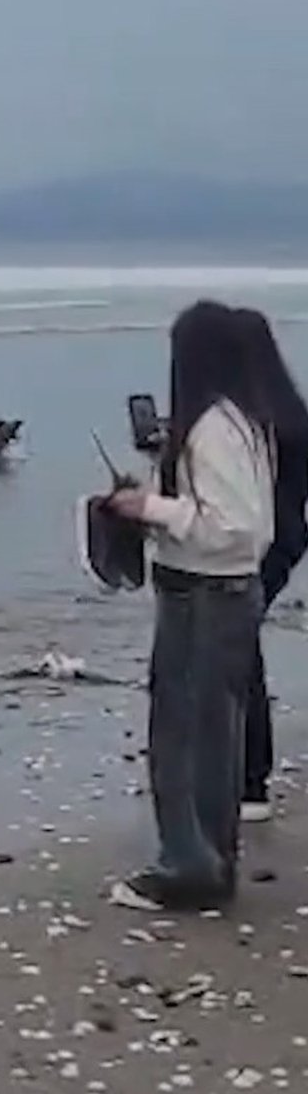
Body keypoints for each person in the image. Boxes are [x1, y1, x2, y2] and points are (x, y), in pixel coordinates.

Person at [106, 301, 275, 911]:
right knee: (211, 735)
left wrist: (148, 508)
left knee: (187, 735)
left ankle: (190, 868)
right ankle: (208, 863)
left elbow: (234, 527)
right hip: (218, 592)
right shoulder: (241, 421)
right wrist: (157, 499)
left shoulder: (214, 429)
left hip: (206, 593)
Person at [233, 308, 308, 822]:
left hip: (251, 543)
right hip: (287, 539)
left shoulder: (244, 424)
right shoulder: (290, 410)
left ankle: (250, 778)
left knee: (237, 650)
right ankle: (249, 777)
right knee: (242, 645)